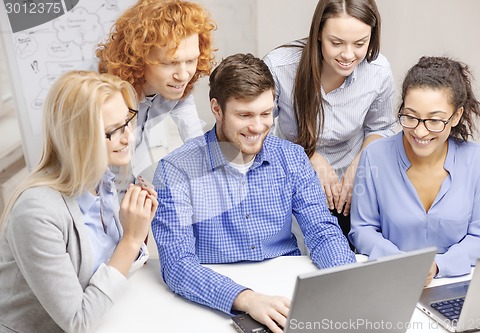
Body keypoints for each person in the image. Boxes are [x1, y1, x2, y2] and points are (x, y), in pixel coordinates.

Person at [152, 53, 356, 333]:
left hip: (287, 291)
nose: (258, 127)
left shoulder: (292, 158)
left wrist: (345, 281)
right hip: (212, 301)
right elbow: (177, 265)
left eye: (265, 113)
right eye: (244, 115)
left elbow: (322, 231)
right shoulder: (176, 170)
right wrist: (247, 299)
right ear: (217, 109)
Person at [0, 71, 158, 333]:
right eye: (112, 131)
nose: (128, 137)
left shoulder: (103, 182)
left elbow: (109, 273)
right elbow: (78, 322)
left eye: (128, 121)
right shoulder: (36, 212)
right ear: (78, 139)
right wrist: (131, 238)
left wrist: (137, 229)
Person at [349, 56, 480, 286]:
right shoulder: (374, 156)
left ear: (456, 116)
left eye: (434, 120)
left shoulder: (478, 160)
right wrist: (401, 263)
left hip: (454, 283)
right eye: (410, 117)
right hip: (390, 279)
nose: (419, 131)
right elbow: (362, 230)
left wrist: (439, 266)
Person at [263, 0, 396, 244]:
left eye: (360, 44)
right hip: (292, 180)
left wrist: (360, 165)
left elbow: (381, 126)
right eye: (336, 43)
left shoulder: (378, 71)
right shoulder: (280, 67)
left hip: (354, 187)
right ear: (318, 34)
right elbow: (258, 132)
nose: (348, 55)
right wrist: (309, 158)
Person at [96, 0, 216, 179]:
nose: (183, 75)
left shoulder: (177, 89)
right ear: (138, 58)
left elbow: (196, 142)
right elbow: (91, 166)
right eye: (170, 63)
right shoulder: (105, 95)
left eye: (191, 61)